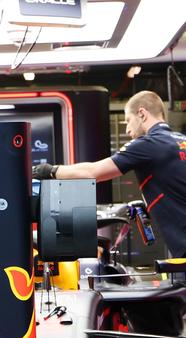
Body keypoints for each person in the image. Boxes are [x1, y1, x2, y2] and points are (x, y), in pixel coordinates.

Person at [33, 90, 186, 258]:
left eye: (128, 120)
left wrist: (49, 171)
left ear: (142, 114)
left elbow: (93, 172)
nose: (127, 129)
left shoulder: (149, 144)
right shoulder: (180, 140)